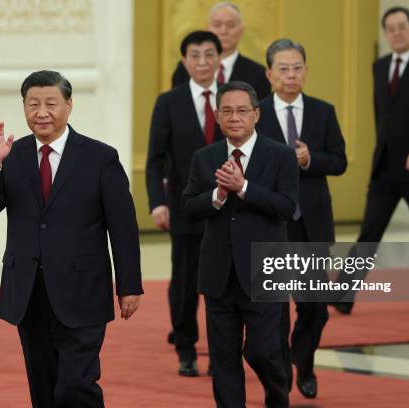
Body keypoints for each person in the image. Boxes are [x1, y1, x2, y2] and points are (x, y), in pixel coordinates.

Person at [0, 70, 143, 407]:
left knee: (76, 386)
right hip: (29, 292)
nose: (41, 112)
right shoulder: (13, 154)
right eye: (32, 104)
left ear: (69, 105)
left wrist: (129, 285)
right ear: (24, 107)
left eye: (51, 103)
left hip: (83, 290)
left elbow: (123, 226)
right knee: (43, 386)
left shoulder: (100, 157)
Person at [183, 81, 299, 407]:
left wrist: (244, 187)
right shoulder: (203, 158)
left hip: (265, 271)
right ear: (218, 116)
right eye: (228, 111)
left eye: (242, 111)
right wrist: (217, 196)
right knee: (223, 358)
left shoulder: (281, 156)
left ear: (257, 115)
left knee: (262, 350)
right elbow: (189, 207)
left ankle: (278, 395)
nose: (235, 117)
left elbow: (287, 208)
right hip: (218, 273)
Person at [333, 6, 409, 315]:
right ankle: (345, 292)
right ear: (386, 34)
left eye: (402, 27)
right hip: (385, 167)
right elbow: (381, 116)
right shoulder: (380, 66)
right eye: (390, 28)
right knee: (370, 230)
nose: (396, 33)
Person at [257, 39, 347, 399]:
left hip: (312, 225)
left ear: (306, 71)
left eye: (297, 68)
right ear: (269, 73)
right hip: (273, 225)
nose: (291, 75)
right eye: (283, 68)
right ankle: (279, 375)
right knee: (276, 308)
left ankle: (304, 362)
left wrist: (312, 159)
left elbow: (339, 160)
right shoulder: (256, 113)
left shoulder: (323, 111)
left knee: (314, 308)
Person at [146, 30, 224, 376]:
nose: (203, 62)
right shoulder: (169, 102)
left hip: (229, 207)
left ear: (219, 60)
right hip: (185, 206)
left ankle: (224, 350)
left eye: (209, 54)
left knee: (226, 283)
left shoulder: (235, 99)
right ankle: (185, 347)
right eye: (195, 55)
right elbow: (155, 159)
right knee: (185, 282)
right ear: (185, 61)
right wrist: (157, 202)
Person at [171, 2, 270, 100]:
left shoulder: (258, 73)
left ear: (241, 30)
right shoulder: (185, 68)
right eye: (217, 25)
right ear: (207, 28)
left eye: (230, 25)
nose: (223, 31)